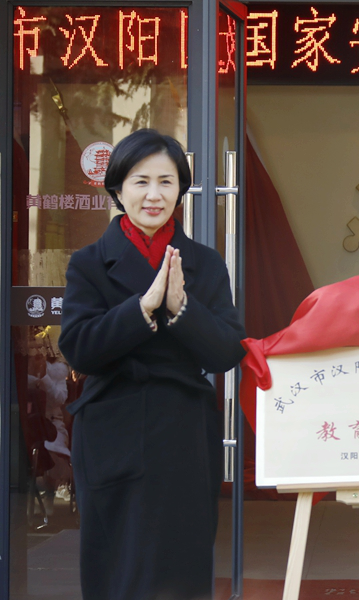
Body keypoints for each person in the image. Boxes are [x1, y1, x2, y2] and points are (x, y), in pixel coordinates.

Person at [58, 129, 246, 600]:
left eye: (166, 181)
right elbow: (79, 348)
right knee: (119, 568)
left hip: (184, 432)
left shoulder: (205, 263)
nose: (154, 195)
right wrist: (142, 308)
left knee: (182, 567)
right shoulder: (88, 263)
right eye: (141, 181)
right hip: (113, 429)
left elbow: (227, 351)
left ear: (181, 189)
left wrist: (182, 308)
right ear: (118, 189)